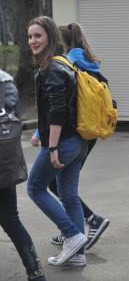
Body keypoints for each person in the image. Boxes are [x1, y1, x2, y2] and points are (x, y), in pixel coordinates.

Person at [30, 22, 110, 250]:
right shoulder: (87, 59)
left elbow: (60, 105)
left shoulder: (64, 63)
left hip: (69, 132)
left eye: (39, 36)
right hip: (86, 130)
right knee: (64, 188)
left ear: (58, 40)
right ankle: (75, 241)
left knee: (43, 186)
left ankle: (80, 229)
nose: (34, 41)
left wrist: (45, 138)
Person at [26, 16, 88, 267]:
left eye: (37, 35)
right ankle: (78, 255)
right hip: (79, 141)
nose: (32, 41)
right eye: (30, 36)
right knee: (69, 196)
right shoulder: (65, 63)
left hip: (62, 143)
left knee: (35, 188)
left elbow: (57, 110)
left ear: (50, 36)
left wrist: (51, 147)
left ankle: (72, 236)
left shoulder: (51, 67)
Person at [0, 70, 46, 281]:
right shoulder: (6, 81)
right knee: (11, 219)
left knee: (10, 219)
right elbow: (13, 121)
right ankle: (35, 271)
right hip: (5, 164)